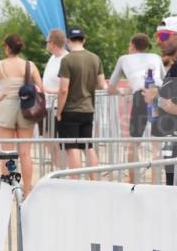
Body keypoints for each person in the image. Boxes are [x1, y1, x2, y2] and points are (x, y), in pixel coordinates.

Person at [0, 34, 45, 194]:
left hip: (6, 107)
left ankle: (9, 191)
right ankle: (26, 192)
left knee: (7, 153)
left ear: (7, 47)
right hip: (26, 108)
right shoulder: (30, 65)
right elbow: (40, 88)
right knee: (25, 153)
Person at [107, 32, 166, 182]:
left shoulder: (124, 59)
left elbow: (110, 87)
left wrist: (122, 92)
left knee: (134, 142)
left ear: (132, 46)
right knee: (157, 142)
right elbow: (165, 79)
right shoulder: (156, 57)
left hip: (141, 95)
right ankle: (156, 181)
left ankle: (133, 181)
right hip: (158, 94)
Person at [56, 27, 107, 175]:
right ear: (84, 40)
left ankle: (76, 182)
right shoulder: (95, 58)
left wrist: (59, 111)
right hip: (88, 109)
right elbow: (101, 84)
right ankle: (95, 181)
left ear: (68, 41)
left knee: (72, 148)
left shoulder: (67, 60)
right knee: (88, 147)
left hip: (70, 109)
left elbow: (63, 89)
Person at [42, 29, 68, 170]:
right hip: (47, 105)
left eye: (47, 42)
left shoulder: (66, 59)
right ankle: (57, 167)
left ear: (52, 43)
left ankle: (62, 169)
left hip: (59, 105)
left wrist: (51, 91)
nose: (46, 44)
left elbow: (68, 86)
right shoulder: (52, 58)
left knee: (58, 142)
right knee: (47, 139)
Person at [156, 37, 177, 186]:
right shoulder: (173, 68)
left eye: (164, 36)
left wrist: (155, 99)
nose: (159, 41)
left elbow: (174, 107)